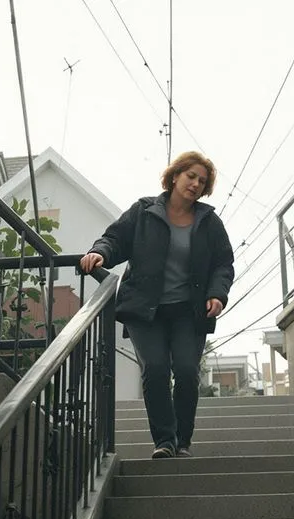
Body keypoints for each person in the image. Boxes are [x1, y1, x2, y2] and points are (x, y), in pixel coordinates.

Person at [79, 151, 235, 458]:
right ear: (175, 176)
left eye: (202, 181)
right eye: (191, 176)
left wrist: (217, 294)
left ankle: (183, 440)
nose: (195, 184)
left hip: (188, 312)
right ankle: (164, 440)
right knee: (156, 369)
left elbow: (223, 263)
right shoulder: (144, 211)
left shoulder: (209, 222)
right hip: (144, 309)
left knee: (188, 371)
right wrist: (100, 253)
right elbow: (115, 238)